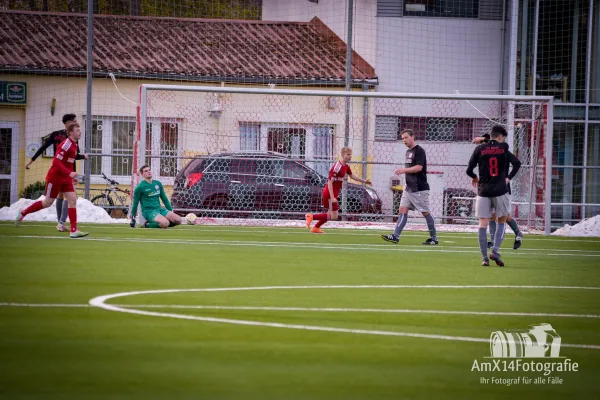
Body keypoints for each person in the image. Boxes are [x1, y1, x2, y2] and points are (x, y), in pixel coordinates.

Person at [16, 123, 89, 238]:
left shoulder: (75, 145)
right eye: (77, 130)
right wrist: (69, 173)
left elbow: (68, 162)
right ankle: (23, 212)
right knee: (47, 203)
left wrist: (71, 176)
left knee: (72, 200)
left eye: (80, 130)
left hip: (65, 179)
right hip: (55, 178)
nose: (80, 132)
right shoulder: (66, 144)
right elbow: (56, 161)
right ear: (71, 133)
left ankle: (74, 230)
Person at [466, 125, 521, 267]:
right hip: (500, 190)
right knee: (501, 220)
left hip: (483, 191)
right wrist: (508, 178)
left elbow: (469, 169)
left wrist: (474, 177)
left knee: (482, 223)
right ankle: (495, 251)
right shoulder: (503, 147)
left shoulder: (479, 149)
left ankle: (484, 258)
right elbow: (517, 163)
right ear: (501, 137)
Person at [381, 129, 438, 245]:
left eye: (406, 137)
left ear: (413, 137)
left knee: (425, 212)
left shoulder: (419, 151)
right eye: (402, 138)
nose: (404, 140)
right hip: (409, 188)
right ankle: (395, 236)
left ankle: (434, 238)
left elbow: (419, 167)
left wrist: (403, 170)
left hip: (419, 188)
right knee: (402, 210)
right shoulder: (408, 152)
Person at [305, 147, 372, 233]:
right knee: (334, 216)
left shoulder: (346, 166)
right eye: (348, 155)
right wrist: (332, 197)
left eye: (351, 154)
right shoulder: (337, 167)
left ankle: (315, 227)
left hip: (334, 193)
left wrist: (365, 181)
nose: (350, 156)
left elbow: (352, 176)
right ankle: (311, 217)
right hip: (329, 192)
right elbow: (329, 182)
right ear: (342, 155)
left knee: (330, 215)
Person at [130, 165, 182, 229]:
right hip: (149, 212)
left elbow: (164, 199)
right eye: (146, 171)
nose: (148, 172)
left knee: (178, 220)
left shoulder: (157, 184)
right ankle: (147, 225)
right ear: (142, 174)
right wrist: (133, 218)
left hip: (159, 209)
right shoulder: (140, 187)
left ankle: (160, 222)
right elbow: (135, 204)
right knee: (165, 223)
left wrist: (171, 210)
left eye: (149, 170)